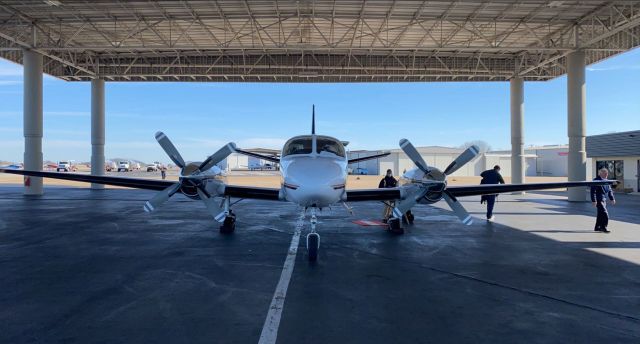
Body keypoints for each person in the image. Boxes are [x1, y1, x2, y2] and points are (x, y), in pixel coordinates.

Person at [591, 168, 616, 233]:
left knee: (600, 214)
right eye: (604, 173)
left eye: (607, 173)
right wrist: (594, 200)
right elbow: (593, 191)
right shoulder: (596, 180)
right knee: (605, 213)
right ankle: (603, 227)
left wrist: (612, 199)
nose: (606, 174)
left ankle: (597, 227)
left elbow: (610, 190)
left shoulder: (606, 180)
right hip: (598, 200)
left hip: (604, 200)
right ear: (600, 173)